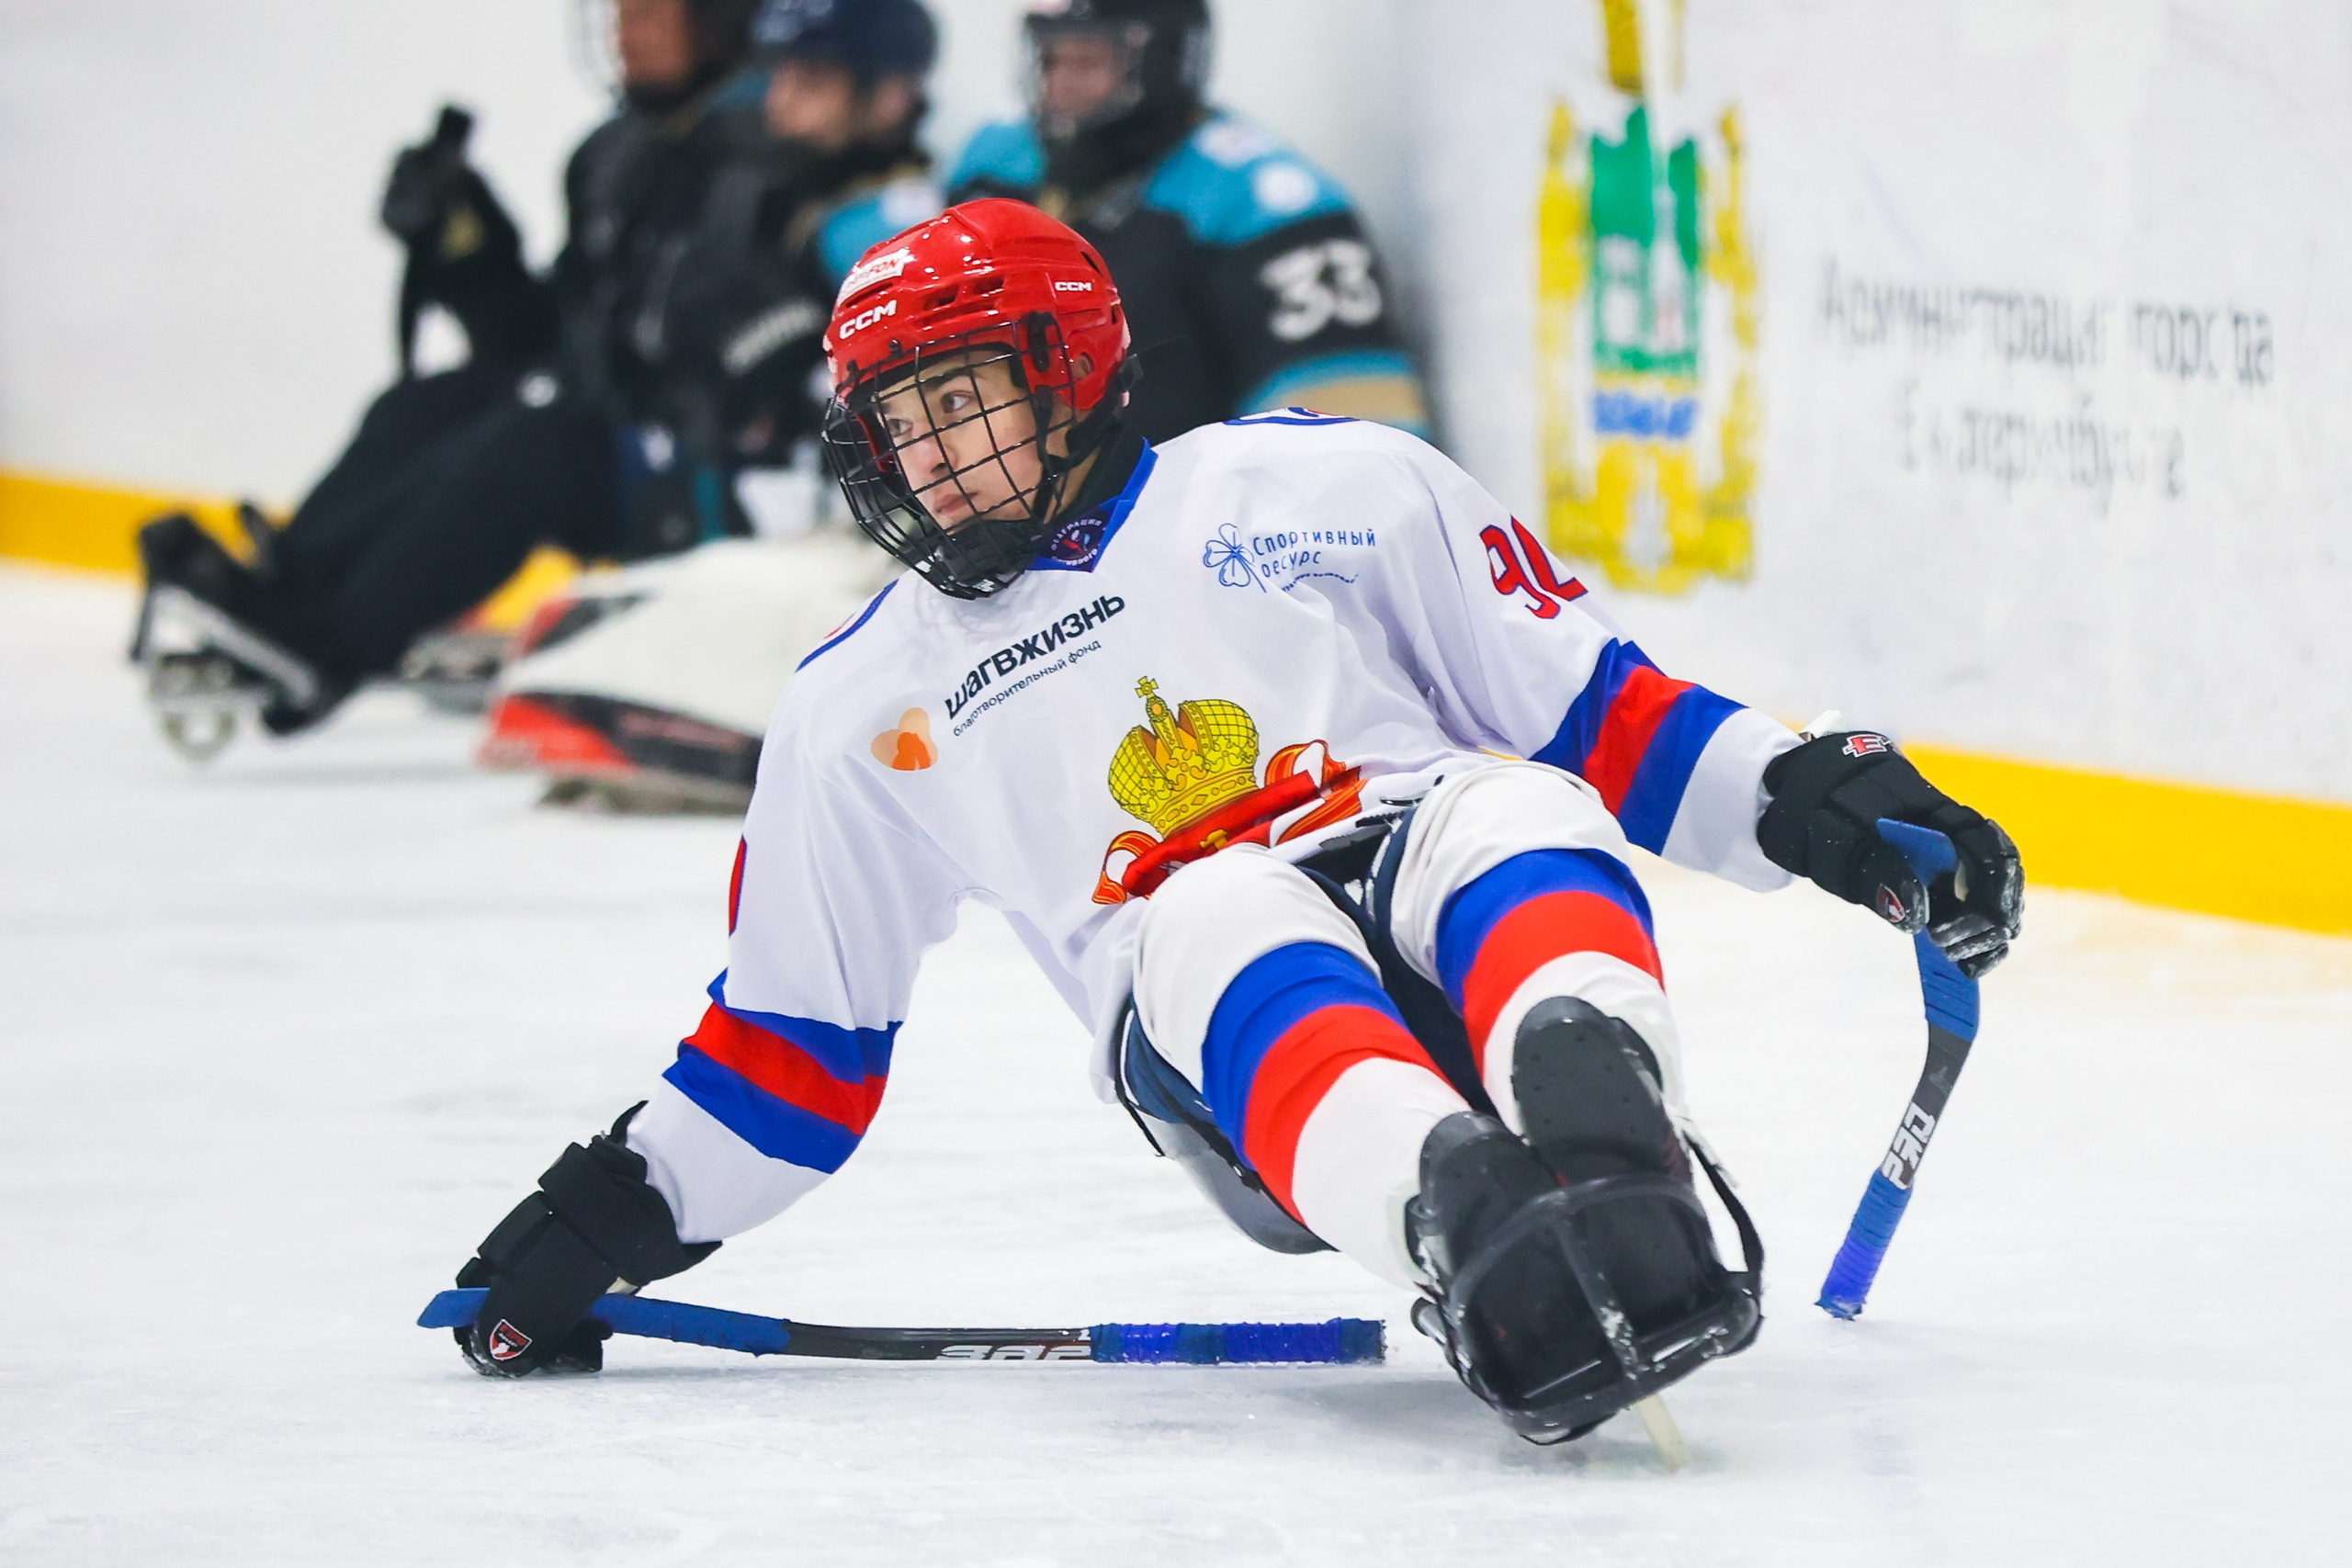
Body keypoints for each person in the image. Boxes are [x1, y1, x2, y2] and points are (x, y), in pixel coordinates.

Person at [443, 201, 2023, 1441]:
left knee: (1508, 802)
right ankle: (1461, 1226)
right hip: (1232, 1057)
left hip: (1430, 894)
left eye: (956, 408)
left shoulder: (1328, 491)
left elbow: (1594, 713)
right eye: (892, 425)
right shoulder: (861, 706)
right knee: (1213, 909)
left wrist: (1824, 803)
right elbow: (792, 1045)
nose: (917, 460)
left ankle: (1620, 1141)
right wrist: (605, 1216)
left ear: (1065, 372)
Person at [132, 0, 939, 743]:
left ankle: (327, 641)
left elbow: (813, 364)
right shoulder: (637, 156)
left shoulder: (832, 200)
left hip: (721, 477)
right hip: (642, 440)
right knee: (432, 406)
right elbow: (551, 337)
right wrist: (465, 244)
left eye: (652, 13)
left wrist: (747, 352)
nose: (627, 33)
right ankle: (289, 591)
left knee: (540, 441)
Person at [946, 0, 1430, 444]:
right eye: (1051, 59)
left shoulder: (1269, 207)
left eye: (1088, 61)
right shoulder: (992, 163)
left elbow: (1358, 447)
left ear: (1165, 61)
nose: (1060, 85)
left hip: (1201, 530)